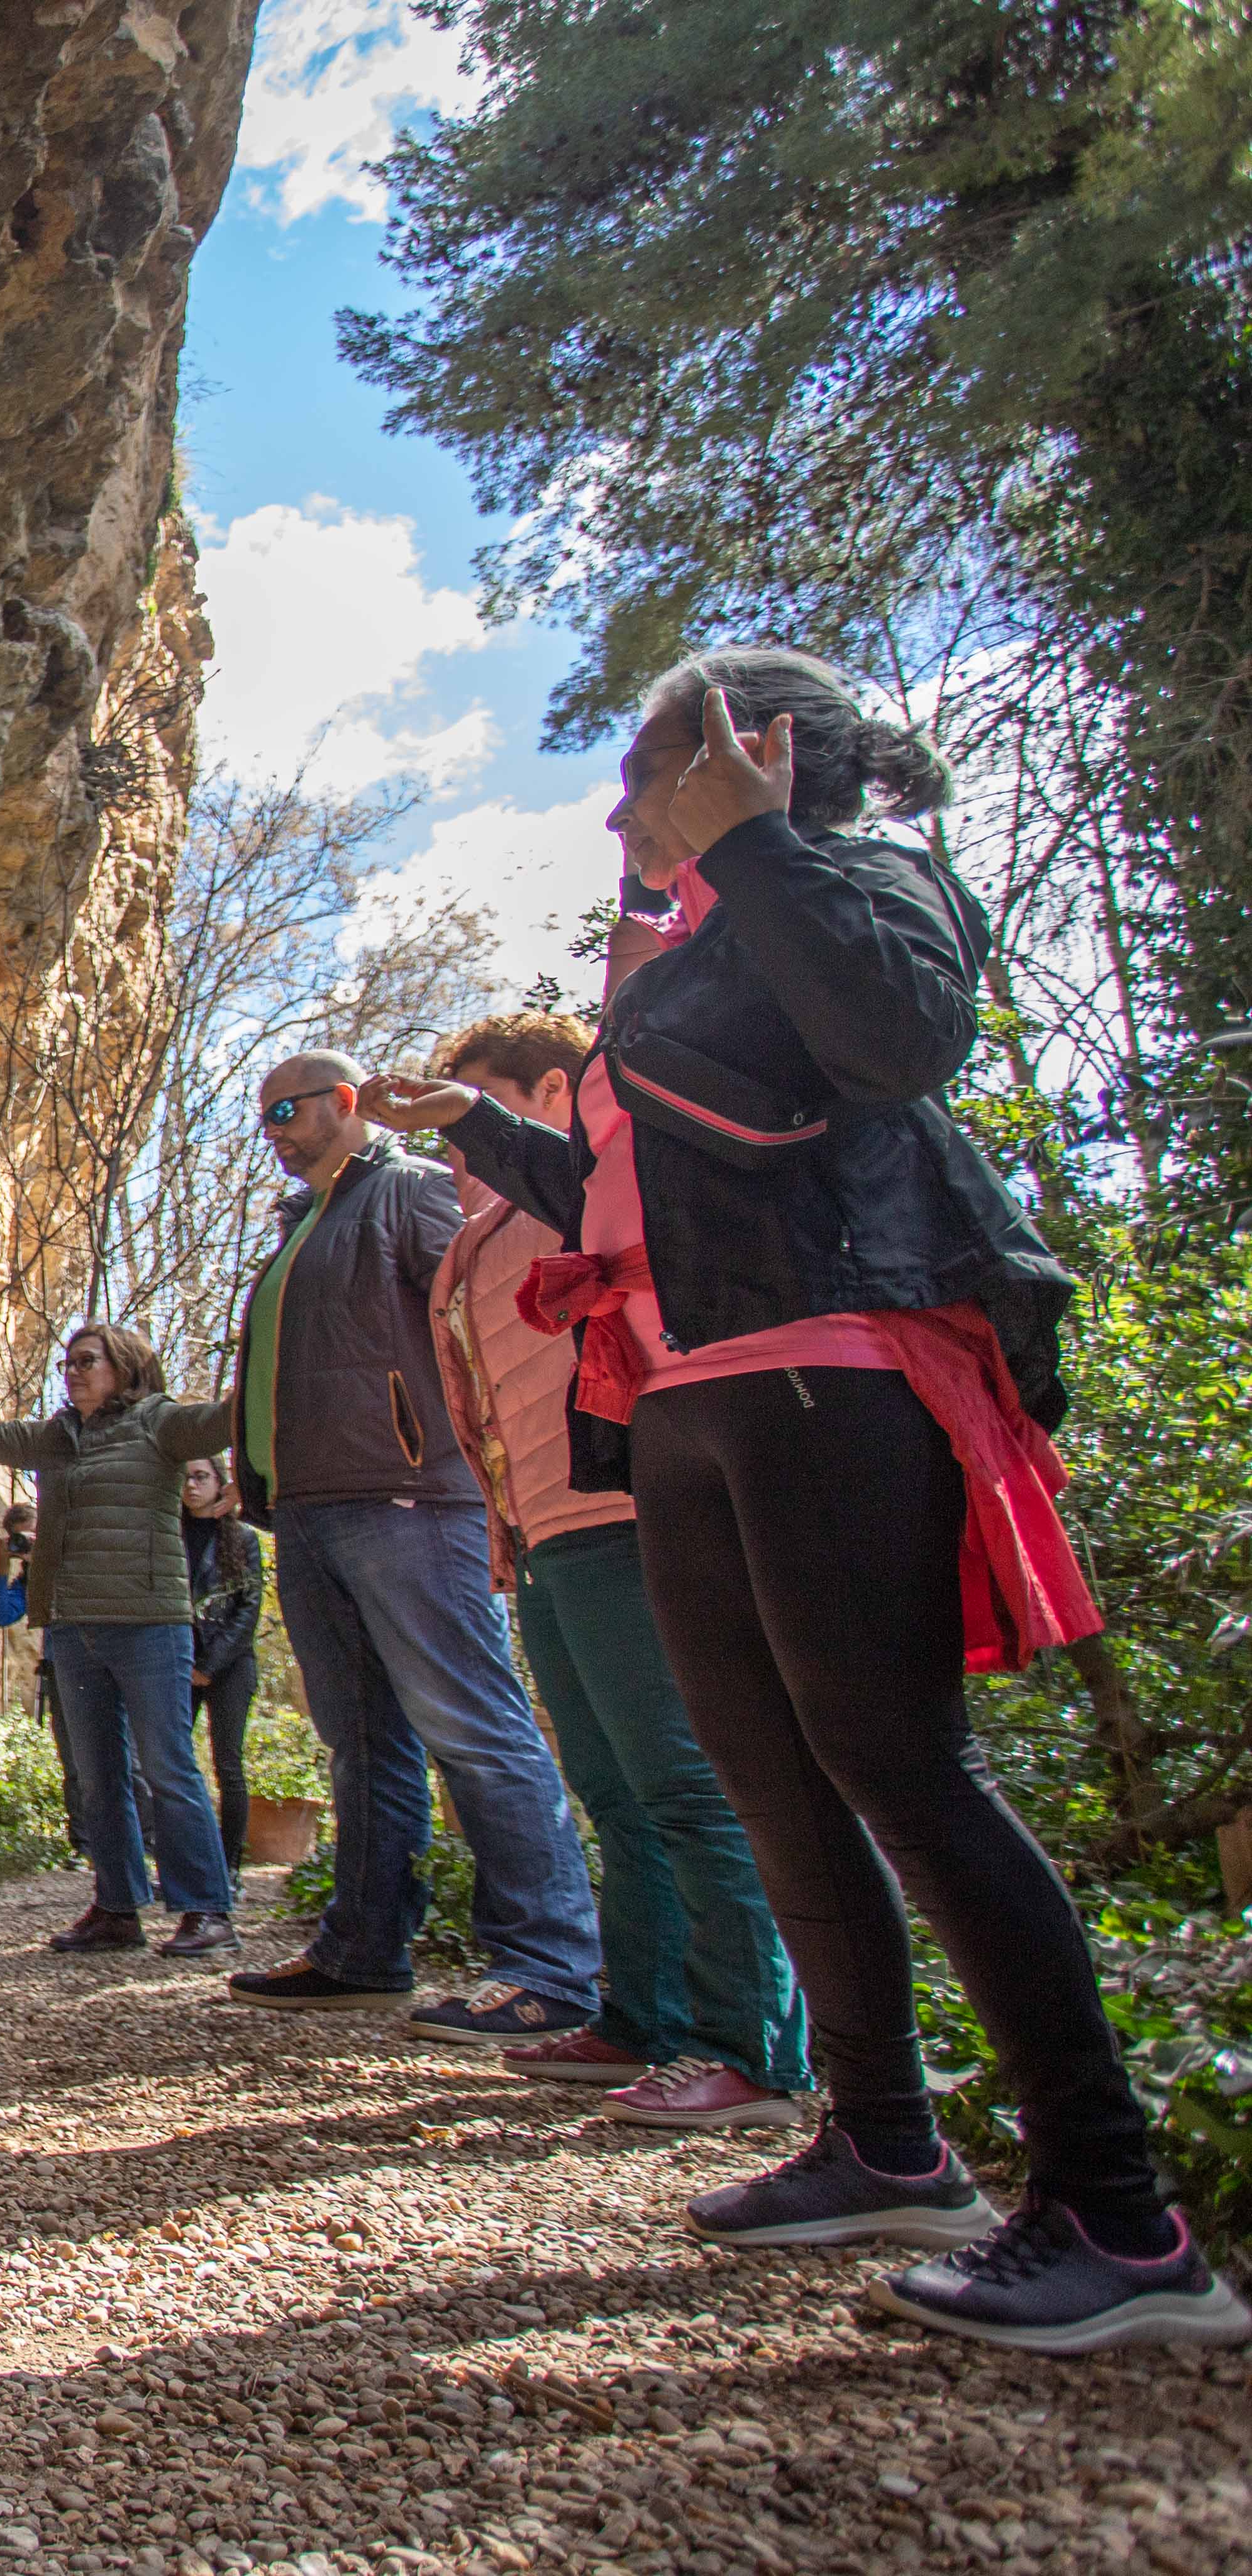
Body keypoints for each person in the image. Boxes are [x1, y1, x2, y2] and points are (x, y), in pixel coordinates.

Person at [373, 648, 1244, 2353]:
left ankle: (1119, 2216)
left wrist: (761, 846)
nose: (622, 809)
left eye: (649, 770)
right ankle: (885, 2137)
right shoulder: (692, 949)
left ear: (761, 748)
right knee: (775, 1776)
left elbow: (906, 1036)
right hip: (693, 1395)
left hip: (838, 1367)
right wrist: (484, 1129)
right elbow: (624, 1192)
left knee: (905, 1770)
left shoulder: (858, 871)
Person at [425, 1009, 814, 2133]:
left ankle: (749, 2048)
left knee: (687, 1783)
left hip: (627, 1517)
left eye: (475, 1118)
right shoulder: (474, 1237)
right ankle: (636, 2015)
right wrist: (505, 1535)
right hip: (544, 1537)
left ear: (553, 1093)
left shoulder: (594, 1184)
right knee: (610, 1788)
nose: (456, 1153)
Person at [219, 1050, 604, 2047]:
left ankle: (551, 1966)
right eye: (264, 1115)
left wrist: (491, 1468)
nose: (273, 1129)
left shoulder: (411, 1192)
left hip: (412, 1501)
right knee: (363, 1745)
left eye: (288, 1110)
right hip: (307, 1511)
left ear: (347, 1107)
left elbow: (490, 1319)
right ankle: (363, 1951)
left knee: (474, 1726)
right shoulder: (301, 1227)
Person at [0, 1324, 243, 1957]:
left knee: (168, 1767)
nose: (71, 1372)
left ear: (123, 1367)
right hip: (74, 1628)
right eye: (66, 1363)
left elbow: (230, 1419)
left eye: (86, 1362)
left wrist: (274, 1357)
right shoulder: (56, 1437)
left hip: (151, 1623)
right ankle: (117, 1910)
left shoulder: (161, 1423)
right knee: (99, 1777)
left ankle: (206, 1911)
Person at [0, 1501, 84, 1863]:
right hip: (60, 1670)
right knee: (73, 1761)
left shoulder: (79, 1560)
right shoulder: (30, 1581)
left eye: (35, 1536)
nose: (31, 1543)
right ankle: (84, 1847)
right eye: (23, 1538)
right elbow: (2, 1615)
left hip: (99, 1665)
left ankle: (144, 1842)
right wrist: (4, 1565)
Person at [181, 1456, 261, 1870]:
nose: (192, 1485)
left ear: (219, 1483)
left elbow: (248, 1610)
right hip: (179, 1664)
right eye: (186, 1477)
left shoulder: (243, 1538)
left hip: (230, 1666)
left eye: (201, 1477)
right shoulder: (167, 1534)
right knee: (174, 1765)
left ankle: (229, 1869)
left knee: (228, 1765)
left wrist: (209, 1665)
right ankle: (187, 1866)